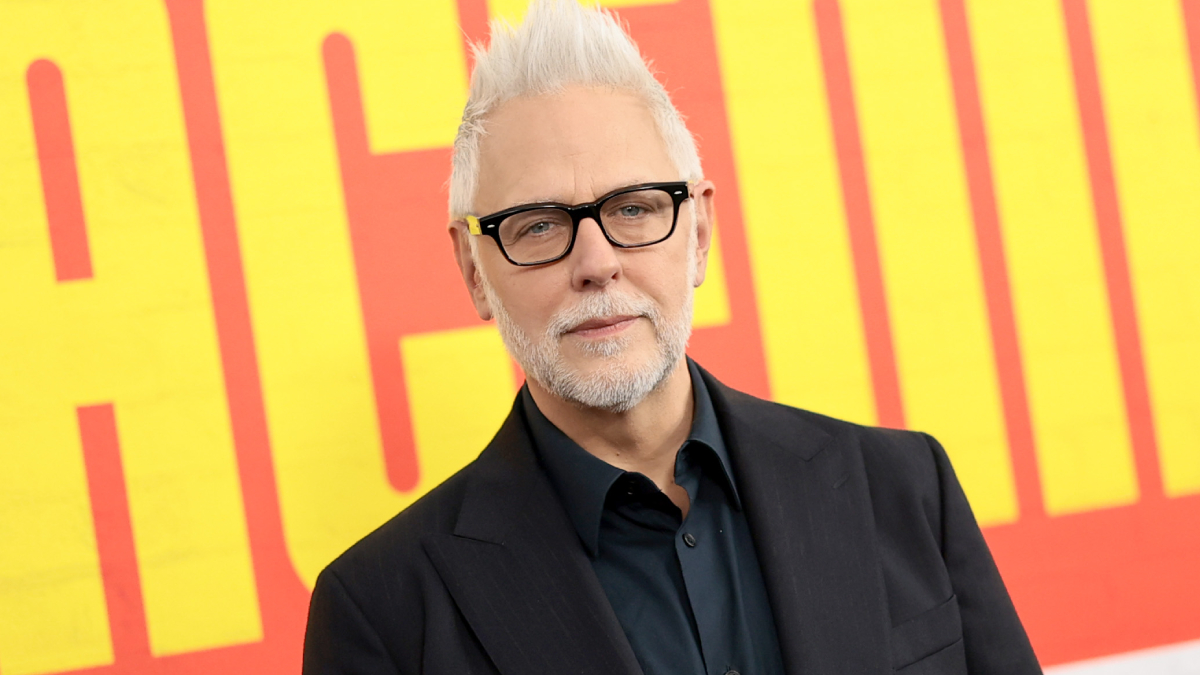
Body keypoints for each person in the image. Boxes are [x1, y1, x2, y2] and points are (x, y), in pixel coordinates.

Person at [301, 1, 1041, 673]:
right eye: (538, 225)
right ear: (473, 271)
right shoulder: (383, 616)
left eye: (633, 208)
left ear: (700, 232)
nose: (596, 263)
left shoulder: (904, 489)